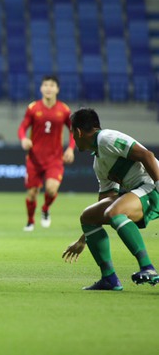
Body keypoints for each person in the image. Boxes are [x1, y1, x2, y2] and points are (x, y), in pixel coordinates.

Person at [62, 108, 159, 290]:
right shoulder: (99, 162)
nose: (73, 139)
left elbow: (147, 156)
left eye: (72, 133)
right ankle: (109, 279)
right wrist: (84, 239)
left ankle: (147, 267)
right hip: (139, 192)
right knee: (89, 216)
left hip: (152, 186)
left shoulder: (107, 138)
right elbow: (106, 202)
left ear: (78, 131)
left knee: (115, 212)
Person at [17, 75, 75, 231]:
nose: (48, 88)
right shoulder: (33, 108)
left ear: (57, 89)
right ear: (41, 88)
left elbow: (73, 131)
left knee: (51, 189)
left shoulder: (64, 110)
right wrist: (23, 139)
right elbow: (22, 128)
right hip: (34, 159)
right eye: (45, 85)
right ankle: (30, 221)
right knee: (32, 193)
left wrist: (70, 147)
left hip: (54, 159)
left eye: (52, 85)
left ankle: (45, 209)